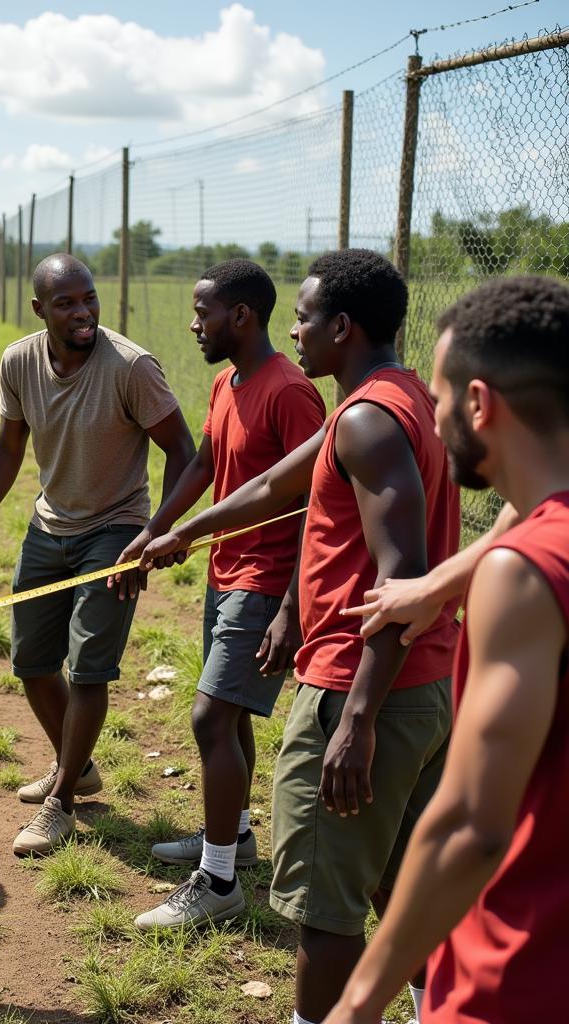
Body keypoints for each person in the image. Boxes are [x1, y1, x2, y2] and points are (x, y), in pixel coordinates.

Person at [140, 249, 460, 1024]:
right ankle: (438, 1003)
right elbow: (270, 486)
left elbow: (399, 578)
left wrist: (352, 723)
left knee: (326, 907)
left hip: (362, 690)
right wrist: (183, 532)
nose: (296, 329)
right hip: (424, 688)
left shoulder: (367, 423)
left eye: (306, 317)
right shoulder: (390, 399)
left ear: (342, 327)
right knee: (393, 879)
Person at [324, 276, 569, 1024]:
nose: (427, 417)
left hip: (523, 968)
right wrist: (437, 586)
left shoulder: (524, 577)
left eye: (437, 397)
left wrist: (358, 1002)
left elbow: (470, 826)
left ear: (478, 405)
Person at [0, 254, 195, 856]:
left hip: (117, 528)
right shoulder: (19, 360)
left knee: (88, 667)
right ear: (39, 309)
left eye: (89, 299)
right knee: (30, 662)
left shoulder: (131, 367)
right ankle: (76, 767)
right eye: (66, 303)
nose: (83, 312)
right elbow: (7, 449)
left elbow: (183, 453)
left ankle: (62, 804)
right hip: (49, 524)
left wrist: (154, 532)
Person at [112, 260, 325, 929]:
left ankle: (218, 882)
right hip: (223, 571)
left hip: (266, 582)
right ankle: (232, 840)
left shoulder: (292, 393)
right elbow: (204, 462)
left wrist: (292, 606)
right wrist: (154, 531)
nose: (193, 323)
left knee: (209, 719)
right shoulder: (225, 382)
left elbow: (316, 506)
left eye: (203, 312)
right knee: (228, 719)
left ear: (241, 316)